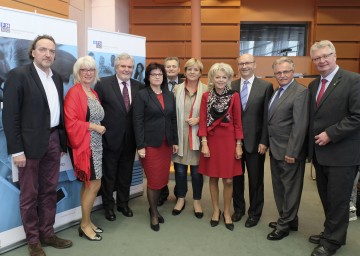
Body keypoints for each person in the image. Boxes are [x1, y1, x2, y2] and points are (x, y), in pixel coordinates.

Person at [2, 35, 72, 256]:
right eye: (43, 49)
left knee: (49, 191)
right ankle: (33, 241)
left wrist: (60, 141)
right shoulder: (18, 76)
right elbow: (10, 116)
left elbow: (56, 112)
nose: (48, 54)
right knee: (29, 195)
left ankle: (47, 233)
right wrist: (17, 150)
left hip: (52, 141)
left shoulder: (58, 78)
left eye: (51, 51)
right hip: (28, 146)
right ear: (33, 52)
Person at [307, 40, 360, 256]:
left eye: (325, 56)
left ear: (335, 55)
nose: (322, 61)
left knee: (338, 200)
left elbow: (357, 116)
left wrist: (331, 133)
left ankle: (332, 242)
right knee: (327, 198)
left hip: (343, 154)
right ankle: (331, 232)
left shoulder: (353, 80)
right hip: (321, 155)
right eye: (317, 58)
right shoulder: (313, 85)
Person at [94, 53, 144, 222]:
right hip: (109, 138)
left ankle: (123, 203)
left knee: (125, 174)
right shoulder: (103, 84)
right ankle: (109, 206)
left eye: (129, 66)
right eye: (123, 66)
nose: (126, 69)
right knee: (109, 175)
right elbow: (96, 112)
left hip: (130, 140)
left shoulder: (139, 86)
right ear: (116, 67)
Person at [266, 57, 309, 241]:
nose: (282, 75)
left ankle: (284, 225)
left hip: (289, 151)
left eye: (285, 72)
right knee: (280, 187)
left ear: (293, 72)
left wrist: (292, 151)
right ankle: (290, 220)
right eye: (278, 72)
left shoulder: (300, 92)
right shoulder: (278, 91)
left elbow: (299, 125)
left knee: (290, 188)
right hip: (276, 149)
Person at [133, 62, 178, 231]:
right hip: (150, 145)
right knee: (153, 180)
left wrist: (174, 142)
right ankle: (153, 213)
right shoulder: (142, 95)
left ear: (163, 77)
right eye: (153, 74)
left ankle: (153, 208)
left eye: (160, 74)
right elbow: (137, 122)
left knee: (161, 180)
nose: (157, 77)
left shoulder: (168, 95)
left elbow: (172, 119)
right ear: (148, 77)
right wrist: (141, 145)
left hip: (166, 145)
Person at [198, 63, 243, 231]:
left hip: (229, 141)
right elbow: (202, 121)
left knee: (229, 179)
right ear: (212, 78)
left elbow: (238, 122)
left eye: (224, 77)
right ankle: (216, 211)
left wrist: (239, 144)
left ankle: (227, 212)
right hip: (211, 141)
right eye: (218, 77)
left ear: (229, 79)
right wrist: (204, 143)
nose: (221, 80)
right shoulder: (205, 96)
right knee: (213, 177)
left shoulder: (234, 96)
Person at [64, 56, 105, 241]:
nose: (88, 73)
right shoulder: (74, 92)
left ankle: (87, 222)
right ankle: (85, 225)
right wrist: (95, 127)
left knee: (88, 184)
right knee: (94, 184)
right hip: (84, 146)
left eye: (91, 70)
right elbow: (70, 122)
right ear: (77, 73)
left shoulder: (93, 92)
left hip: (96, 145)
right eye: (84, 70)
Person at [231, 54, 273, 227]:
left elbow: (267, 117)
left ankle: (255, 213)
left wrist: (265, 141)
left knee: (256, 180)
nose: (244, 66)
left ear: (254, 65)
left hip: (256, 143)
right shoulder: (231, 85)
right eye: (241, 63)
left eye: (247, 63)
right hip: (234, 143)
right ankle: (238, 209)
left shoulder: (266, 86)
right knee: (236, 179)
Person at [171, 58, 208, 218]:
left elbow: (212, 115)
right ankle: (180, 199)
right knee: (179, 171)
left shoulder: (207, 90)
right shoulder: (176, 90)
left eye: (196, 69)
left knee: (196, 172)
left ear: (200, 73)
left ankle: (197, 201)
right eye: (189, 69)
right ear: (184, 72)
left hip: (198, 138)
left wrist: (199, 119)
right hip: (179, 137)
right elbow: (170, 115)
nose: (192, 72)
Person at [158, 56, 184, 206]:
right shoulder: (157, 83)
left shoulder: (186, 84)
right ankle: (163, 192)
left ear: (179, 69)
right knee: (162, 165)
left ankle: (179, 194)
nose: (171, 69)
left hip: (180, 129)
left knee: (180, 166)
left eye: (174, 66)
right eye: (168, 67)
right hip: (162, 131)